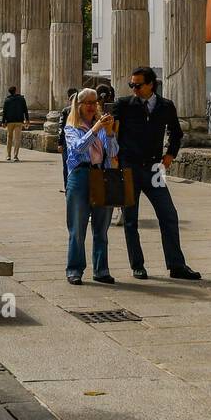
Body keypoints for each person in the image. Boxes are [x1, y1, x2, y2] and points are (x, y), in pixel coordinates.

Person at [113, 66, 200, 281]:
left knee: (168, 215)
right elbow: (110, 132)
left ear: (151, 84)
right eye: (131, 85)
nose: (134, 89)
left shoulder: (165, 106)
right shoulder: (124, 105)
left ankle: (176, 265)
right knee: (130, 219)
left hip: (153, 168)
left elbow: (176, 133)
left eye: (138, 85)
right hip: (129, 167)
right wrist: (113, 157)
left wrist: (170, 154)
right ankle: (138, 265)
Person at [63, 88, 118, 286]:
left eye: (94, 102)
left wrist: (110, 132)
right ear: (78, 106)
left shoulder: (103, 126)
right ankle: (75, 269)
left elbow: (112, 153)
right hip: (79, 175)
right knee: (77, 227)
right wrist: (95, 129)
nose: (90, 106)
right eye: (86, 102)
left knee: (102, 228)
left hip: (100, 174)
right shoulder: (71, 127)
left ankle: (101, 269)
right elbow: (78, 148)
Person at [57, 88, 78, 190]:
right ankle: (69, 187)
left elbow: (61, 128)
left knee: (67, 165)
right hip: (70, 142)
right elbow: (62, 127)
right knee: (69, 164)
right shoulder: (67, 111)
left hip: (67, 142)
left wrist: (60, 143)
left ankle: (67, 187)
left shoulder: (66, 110)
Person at [1, 86, 29, 162]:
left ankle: (8, 155)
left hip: (10, 122)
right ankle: (15, 156)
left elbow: (4, 112)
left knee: (9, 138)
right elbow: (25, 110)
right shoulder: (22, 99)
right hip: (19, 121)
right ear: (16, 91)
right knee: (17, 139)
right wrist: (27, 120)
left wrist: (3, 122)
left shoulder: (7, 100)